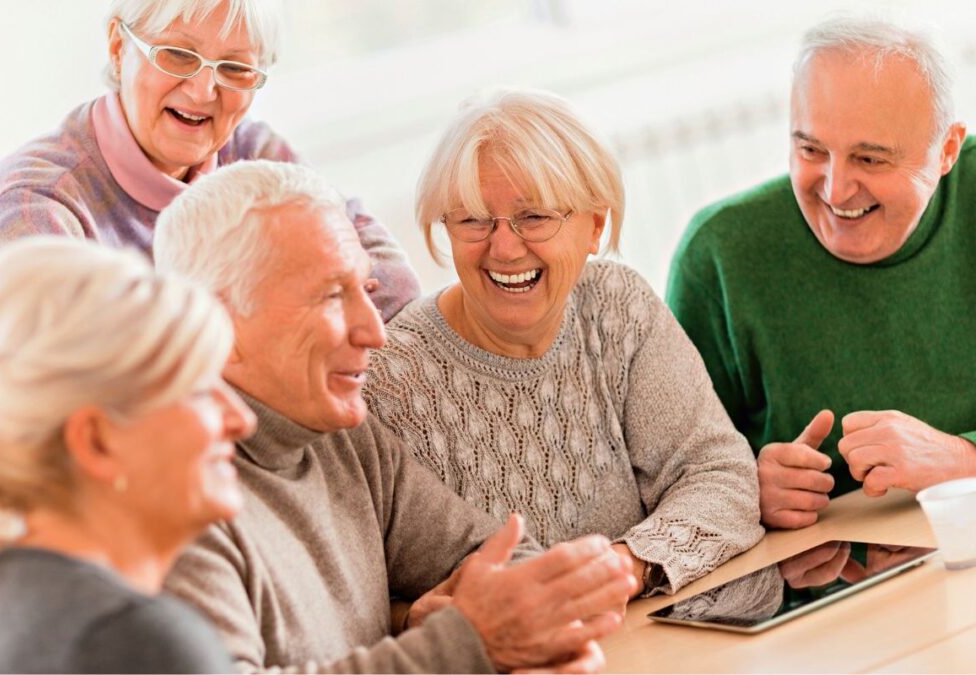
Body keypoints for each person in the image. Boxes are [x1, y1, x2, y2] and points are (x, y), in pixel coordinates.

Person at [153, 159, 639, 674]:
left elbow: (491, 557)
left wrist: (439, 626)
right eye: (331, 296)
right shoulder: (170, 500)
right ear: (213, 325)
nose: (374, 332)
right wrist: (466, 643)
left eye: (365, 290)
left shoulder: (340, 433)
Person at [0, 0, 419, 419]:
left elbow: (392, 286)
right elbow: (85, 401)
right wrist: (276, 334)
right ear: (118, 46)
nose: (202, 90)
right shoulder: (36, 205)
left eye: (236, 68)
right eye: (177, 55)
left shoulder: (253, 153)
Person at [362, 87, 763, 600]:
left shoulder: (618, 307)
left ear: (594, 226)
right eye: (472, 219)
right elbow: (373, 595)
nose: (504, 248)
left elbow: (719, 473)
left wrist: (624, 568)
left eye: (534, 217)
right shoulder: (389, 380)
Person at [667, 17, 976, 530]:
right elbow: (665, 480)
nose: (834, 191)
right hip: (825, 591)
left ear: (946, 150)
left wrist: (961, 460)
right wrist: (742, 489)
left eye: (870, 158)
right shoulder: (718, 256)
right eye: (811, 151)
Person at [0, 238, 254, 673]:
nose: (241, 419)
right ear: (97, 441)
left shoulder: (1, 613)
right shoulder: (133, 641)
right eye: (199, 390)